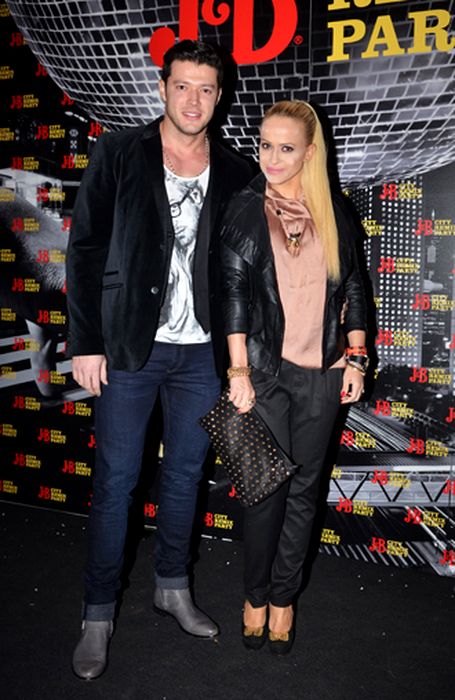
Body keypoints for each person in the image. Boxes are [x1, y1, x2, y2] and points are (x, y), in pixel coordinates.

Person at [66, 40, 252, 680]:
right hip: (127, 347)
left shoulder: (236, 169)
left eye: (206, 88)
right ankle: (97, 613)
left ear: (219, 95)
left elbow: (245, 267)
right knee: (116, 482)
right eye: (182, 86)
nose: (193, 100)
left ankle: (172, 586)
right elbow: (86, 250)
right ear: (163, 87)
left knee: (185, 476)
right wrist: (85, 341)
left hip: (202, 352)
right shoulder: (119, 152)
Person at [220, 100, 368, 655]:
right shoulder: (245, 207)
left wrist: (356, 358)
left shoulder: (333, 211)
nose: (273, 157)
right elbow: (234, 295)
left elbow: (353, 286)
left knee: (304, 491)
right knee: (265, 492)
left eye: (286, 148)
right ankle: (255, 595)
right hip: (264, 372)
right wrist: (238, 371)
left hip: (324, 374)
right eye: (265, 145)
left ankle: (284, 599)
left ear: (310, 152)